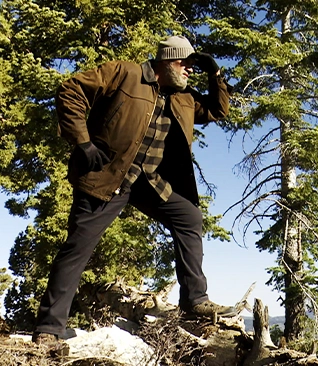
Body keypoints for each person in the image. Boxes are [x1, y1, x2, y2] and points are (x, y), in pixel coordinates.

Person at [32, 35, 235, 350]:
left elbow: (218, 111)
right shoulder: (124, 73)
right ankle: (48, 328)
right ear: (167, 60)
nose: (190, 71)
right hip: (109, 177)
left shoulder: (183, 98)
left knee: (189, 217)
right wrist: (82, 141)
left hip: (149, 182)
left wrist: (216, 75)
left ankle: (195, 301)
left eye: (194, 67)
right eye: (186, 64)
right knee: (77, 249)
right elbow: (71, 89)